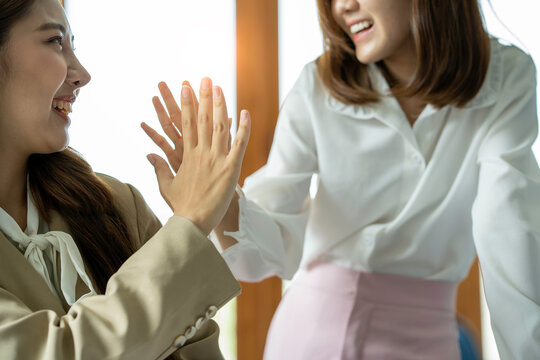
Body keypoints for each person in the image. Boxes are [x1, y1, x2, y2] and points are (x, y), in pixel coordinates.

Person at [147, 0, 540, 359]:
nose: (342, 8)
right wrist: (224, 202)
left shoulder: (505, 78)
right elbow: (270, 247)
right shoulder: (317, 85)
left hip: (429, 341)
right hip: (313, 334)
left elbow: (508, 226)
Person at [0, 0, 251, 359]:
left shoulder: (116, 203)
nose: (82, 73)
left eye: (74, 44)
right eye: (56, 41)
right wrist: (190, 223)